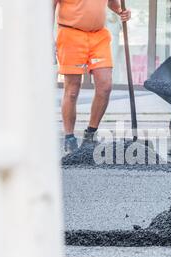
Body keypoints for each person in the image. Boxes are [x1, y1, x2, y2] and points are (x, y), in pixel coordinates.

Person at [53, 0, 131, 154]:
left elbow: (113, 3)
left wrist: (122, 11)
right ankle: (69, 137)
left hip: (98, 36)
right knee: (72, 90)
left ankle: (90, 135)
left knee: (105, 86)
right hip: (70, 34)